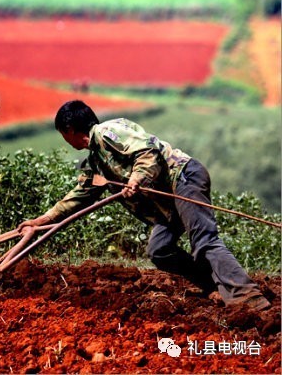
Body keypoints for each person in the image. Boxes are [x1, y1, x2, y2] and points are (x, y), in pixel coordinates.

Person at [18, 100, 271, 311]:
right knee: (160, 250)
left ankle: (250, 298)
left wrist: (136, 178)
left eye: (64, 135)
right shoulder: (95, 162)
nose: (65, 140)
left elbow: (147, 152)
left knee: (203, 240)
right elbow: (79, 196)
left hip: (181, 178)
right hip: (165, 202)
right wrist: (41, 221)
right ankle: (215, 286)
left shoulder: (108, 131)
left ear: (70, 129)